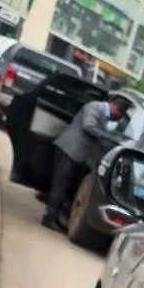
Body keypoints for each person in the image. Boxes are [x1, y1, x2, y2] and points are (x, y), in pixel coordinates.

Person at [42, 93, 132, 232]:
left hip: (77, 155)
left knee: (64, 186)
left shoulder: (103, 114)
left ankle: (55, 216)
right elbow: (88, 126)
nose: (118, 119)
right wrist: (107, 137)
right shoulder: (94, 107)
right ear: (116, 109)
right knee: (59, 185)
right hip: (68, 150)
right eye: (120, 116)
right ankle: (49, 217)